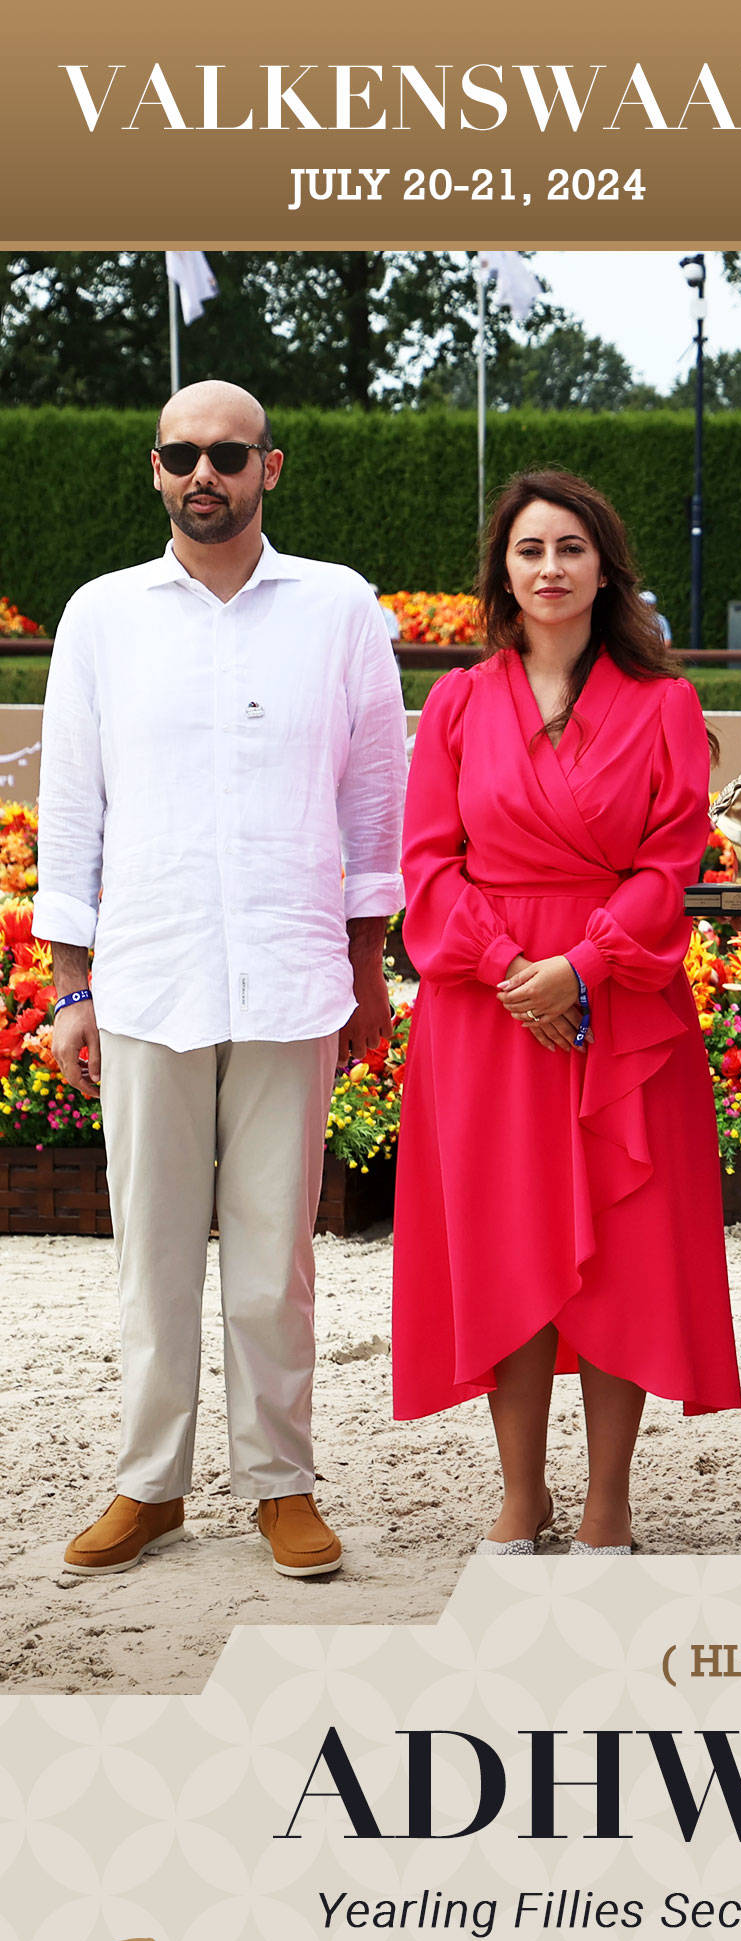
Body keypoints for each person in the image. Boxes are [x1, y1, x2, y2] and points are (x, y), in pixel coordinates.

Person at [39, 380, 405, 1581]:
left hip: (292, 970)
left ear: (269, 468)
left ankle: (279, 1480)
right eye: (184, 453)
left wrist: (367, 962)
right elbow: (72, 806)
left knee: (274, 1251)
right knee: (149, 1250)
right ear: (155, 467)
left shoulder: (339, 607)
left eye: (230, 454)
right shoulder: (103, 614)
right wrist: (71, 986)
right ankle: (150, 1484)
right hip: (148, 972)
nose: (207, 472)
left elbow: (375, 801)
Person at [393, 468, 741, 1554]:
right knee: (509, 1241)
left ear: (605, 569)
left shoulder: (665, 703)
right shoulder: (457, 703)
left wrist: (581, 969)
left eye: (571, 548)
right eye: (530, 549)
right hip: (487, 1008)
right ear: (504, 571)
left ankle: (608, 1500)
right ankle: (520, 1491)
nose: (550, 568)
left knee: (624, 1251)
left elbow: (671, 861)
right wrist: (513, 968)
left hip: (621, 1001)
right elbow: (426, 863)